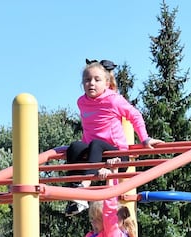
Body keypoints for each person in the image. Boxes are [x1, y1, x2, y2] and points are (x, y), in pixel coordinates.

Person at [65, 59, 161, 216]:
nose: (91, 84)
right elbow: (90, 128)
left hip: (117, 154)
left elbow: (135, 115)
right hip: (95, 156)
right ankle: (75, 193)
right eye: (87, 80)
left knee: (96, 143)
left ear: (107, 82)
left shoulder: (113, 99)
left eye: (97, 80)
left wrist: (145, 138)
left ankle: (83, 189)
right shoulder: (81, 102)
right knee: (74, 147)